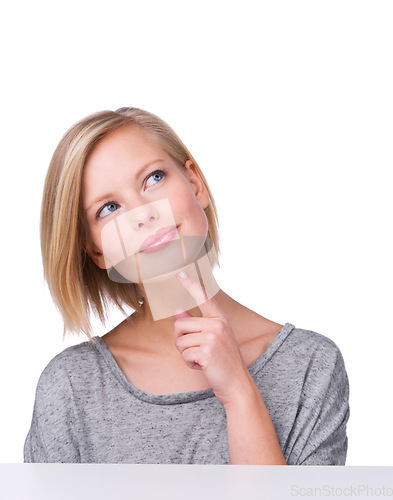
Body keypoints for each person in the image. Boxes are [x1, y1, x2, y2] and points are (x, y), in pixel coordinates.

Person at [24, 107, 350, 465]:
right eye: (109, 207)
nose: (144, 213)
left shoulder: (309, 366)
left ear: (195, 184)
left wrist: (239, 392)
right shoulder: (71, 388)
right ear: (96, 251)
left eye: (153, 178)